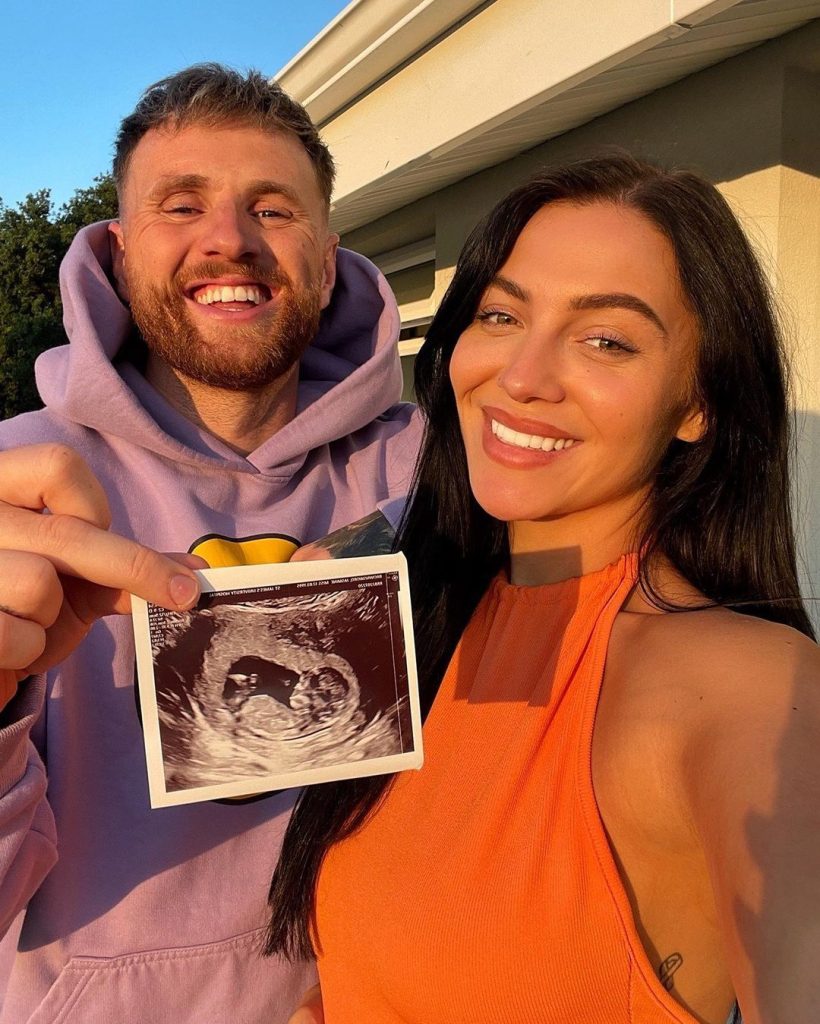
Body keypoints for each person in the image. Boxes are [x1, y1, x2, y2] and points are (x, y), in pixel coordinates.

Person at [268, 154, 820, 1024]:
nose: (522, 376)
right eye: (501, 314)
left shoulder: (745, 689)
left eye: (607, 339)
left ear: (697, 403)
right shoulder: (421, 614)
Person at [0, 64, 420, 1022]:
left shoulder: (435, 476)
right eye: (180, 204)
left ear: (326, 260)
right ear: (115, 253)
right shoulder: (15, 492)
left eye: (272, 209)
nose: (227, 239)